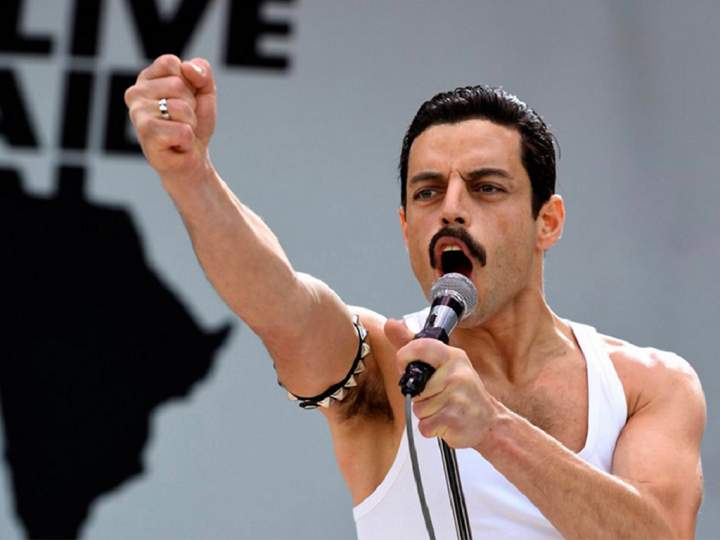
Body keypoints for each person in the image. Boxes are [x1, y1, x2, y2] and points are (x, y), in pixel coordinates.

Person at [124, 55, 706, 539]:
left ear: (547, 222)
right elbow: (280, 302)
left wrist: (494, 430)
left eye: (486, 187)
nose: (451, 208)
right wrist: (191, 177)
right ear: (406, 228)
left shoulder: (646, 385)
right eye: (428, 192)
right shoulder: (382, 364)